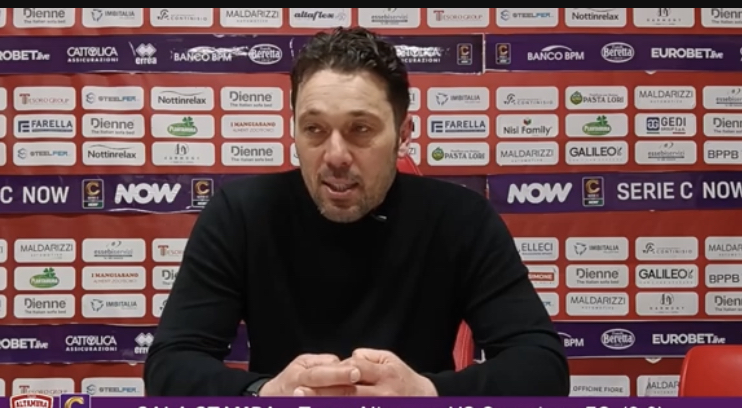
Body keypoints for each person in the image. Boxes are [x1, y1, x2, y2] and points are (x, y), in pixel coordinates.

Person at [144, 26, 569, 397]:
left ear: (404, 134)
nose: (335, 155)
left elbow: (542, 366)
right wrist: (264, 392)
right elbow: (170, 364)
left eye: (360, 129)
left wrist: (427, 392)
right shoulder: (241, 214)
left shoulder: (461, 219)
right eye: (314, 129)